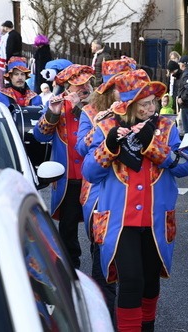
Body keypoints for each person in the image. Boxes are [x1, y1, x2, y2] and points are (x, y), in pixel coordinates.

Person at [82, 69, 188, 331]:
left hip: (155, 220)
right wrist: (108, 148)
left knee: (150, 283)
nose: (151, 108)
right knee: (130, 281)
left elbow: (185, 167)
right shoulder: (108, 125)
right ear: (130, 105)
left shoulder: (166, 128)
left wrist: (153, 147)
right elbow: (90, 173)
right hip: (120, 222)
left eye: (153, 102)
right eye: (144, 104)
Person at [75, 57, 136, 318]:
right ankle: (105, 318)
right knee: (103, 262)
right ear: (108, 89)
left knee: (134, 268)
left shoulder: (141, 111)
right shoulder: (91, 112)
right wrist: (103, 123)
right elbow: (82, 148)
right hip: (100, 197)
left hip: (134, 195)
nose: (126, 91)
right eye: (120, 86)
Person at [33, 64, 95, 269]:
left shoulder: (97, 105)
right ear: (68, 87)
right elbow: (40, 135)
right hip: (67, 176)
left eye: (86, 83)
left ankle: (102, 268)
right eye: (78, 85)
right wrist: (52, 113)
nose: (84, 88)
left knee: (97, 222)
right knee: (67, 226)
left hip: (93, 175)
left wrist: (80, 105)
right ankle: (70, 266)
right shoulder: (58, 103)